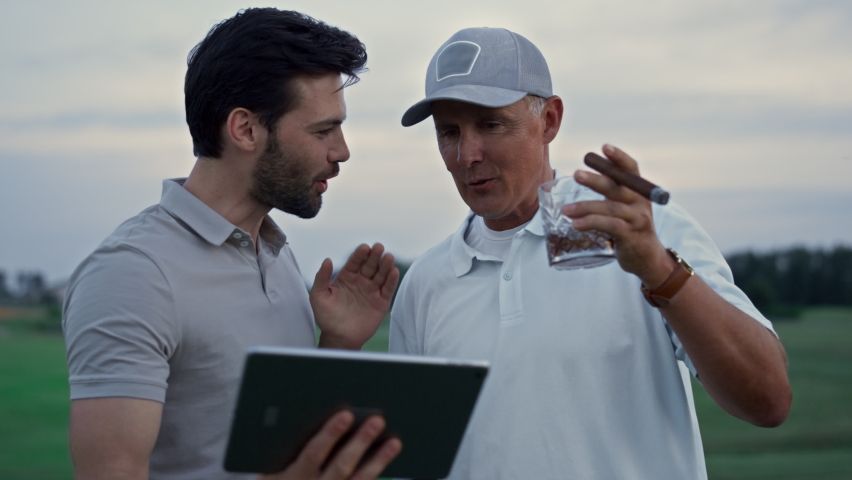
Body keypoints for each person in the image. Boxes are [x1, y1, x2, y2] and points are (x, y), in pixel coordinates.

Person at [391, 27, 792, 480]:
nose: (466, 155)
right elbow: (416, 460)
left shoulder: (645, 231)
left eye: (490, 124)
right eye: (449, 132)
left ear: (549, 120)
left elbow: (769, 401)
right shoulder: (424, 283)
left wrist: (658, 269)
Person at [63, 8, 401, 480]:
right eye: (323, 130)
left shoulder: (275, 254)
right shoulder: (133, 275)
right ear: (245, 129)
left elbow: (283, 441)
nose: (342, 151)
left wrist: (339, 344)